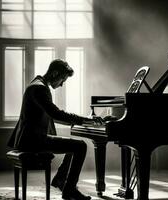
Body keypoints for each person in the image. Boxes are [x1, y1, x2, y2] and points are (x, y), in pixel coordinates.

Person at [7, 59, 102, 200]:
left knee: (74, 145)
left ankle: (60, 180)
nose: (62, 84)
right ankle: (68, 189)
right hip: (33, 141)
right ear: (55, 73)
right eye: (62, 79)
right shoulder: (40, 88)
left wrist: (79, 120)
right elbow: (56, 113)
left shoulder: (37, 84)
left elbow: (53, 116)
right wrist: (85, 120)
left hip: (28, 139)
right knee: (80, 146)